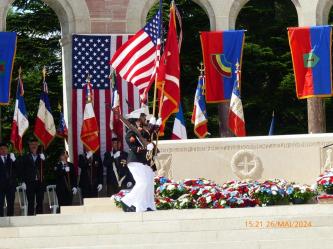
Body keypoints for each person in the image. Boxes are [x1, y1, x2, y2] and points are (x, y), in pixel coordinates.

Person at [120, 107, 157, 212]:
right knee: (143, 183)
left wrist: (154, 127)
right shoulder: (131, 133)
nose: (144, 120)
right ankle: (127, 201)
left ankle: (146, 204)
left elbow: (147, 135)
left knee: (149, 182)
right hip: (135, 161)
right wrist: (146, 147)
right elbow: (134, 148)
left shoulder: (140, 132)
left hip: (144, 161)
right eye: (141, 118)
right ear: (136, 120)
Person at [19, 138, 46, 215]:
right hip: (29, 182)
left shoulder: (42, 156)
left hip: (40, 182)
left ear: (38, 145)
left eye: (35, 144)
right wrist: (22, 181)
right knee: (30, 202)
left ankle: (39, 217)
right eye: (32, 144)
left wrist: (44, 160)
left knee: (40, 201)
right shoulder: (25, 157)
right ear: (29, 146)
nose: (33, 146)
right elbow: (21, 170)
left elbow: (45, 169)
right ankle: (30, 219)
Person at [0, 142, 18, 217]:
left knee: (10, 203)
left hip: (10, 185)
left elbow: (18, 169)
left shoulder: (11, 158)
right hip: (0, 185)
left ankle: (10, 218)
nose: (3, 150)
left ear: (7, 150)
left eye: (5, 149)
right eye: (1, 149)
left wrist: (14, 160)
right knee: (0, 203)